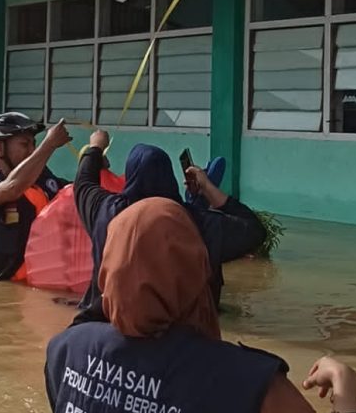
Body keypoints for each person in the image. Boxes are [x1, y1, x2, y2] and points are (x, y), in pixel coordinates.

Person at [41, 197, 356, 413]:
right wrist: (347, 401)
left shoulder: (66, 352)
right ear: (197, 269)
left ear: (107, 269)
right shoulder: (251, 391)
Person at [73, 134, 265, 319]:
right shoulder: (199, 224)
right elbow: (255, 230)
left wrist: (96, 147)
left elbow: (83, 183)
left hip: (110, 319)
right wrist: (208, 189)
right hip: (182, 333)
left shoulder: (105, 211)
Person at [0, 112, 72, 281]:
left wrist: (92, 161)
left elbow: (76, 193)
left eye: (34, 144)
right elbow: (12, 188)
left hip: (30, 287)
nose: (32, 151)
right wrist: (49, 145)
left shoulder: (43, 180)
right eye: (25, 144)